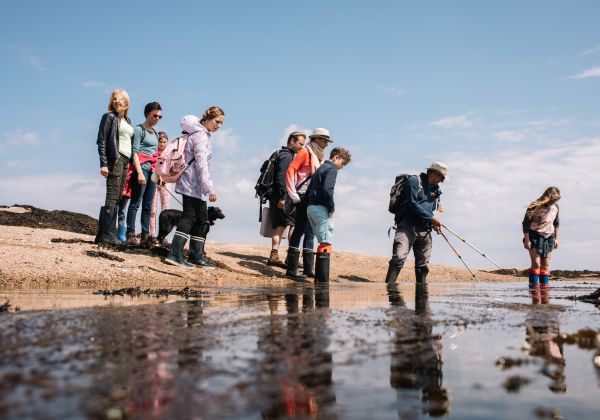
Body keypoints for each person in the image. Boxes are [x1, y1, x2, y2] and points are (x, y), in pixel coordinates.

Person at [164, 106, 225, 268]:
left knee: (202, 220)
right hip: (192, 183)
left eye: (221, 123)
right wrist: (209, 188)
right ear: (207, 119)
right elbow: (201, 165)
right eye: (217, 121)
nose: (218, 125)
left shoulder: (200, 135)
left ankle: (196, 256)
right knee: (190, 217)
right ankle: (174, 254)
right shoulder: (200, 136)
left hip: (195, 185)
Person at [385, 162, 448, 284]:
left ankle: (422, 300)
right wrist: (431, 218)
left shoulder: (436, 189)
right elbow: (412, 204)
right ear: (434, 173)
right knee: (399, 257)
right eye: (442, 177)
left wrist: (434, 224)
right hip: (406, 226)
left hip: (425, 230)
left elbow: (429, 210)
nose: (442, 181)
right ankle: (389, 292)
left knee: (423, 265)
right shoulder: (414, 181)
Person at [284, 128, 333, 280]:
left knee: (310, 232)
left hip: (311, 196)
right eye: (324, 140)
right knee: (299, 229)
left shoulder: (318, 155)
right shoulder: (305, 152)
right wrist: (293, 194)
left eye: (327, 141)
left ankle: (308, 269)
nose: (326, 144)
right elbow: (290, 170)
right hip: (302, 195)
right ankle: (291, 270)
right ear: (317, 139)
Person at [306, 147, 352, 282]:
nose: (341, 167)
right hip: (321, 208)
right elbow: (328, 189)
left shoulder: (321, 167)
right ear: (336, 157)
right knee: (326, 242)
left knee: (321, 241)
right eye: (343, 163)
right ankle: (322, 283)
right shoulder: (331, 168)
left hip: (311, 207)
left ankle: (319, 280)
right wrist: (331, 207)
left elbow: (310, 189)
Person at [95, 89, 134, 244]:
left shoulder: (127, 121)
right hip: (115, 159)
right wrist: (104, 164)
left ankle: (106, 234)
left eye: (121, 99)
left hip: (126, 161)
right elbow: (102, 140)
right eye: (115, 99)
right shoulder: (109, 117)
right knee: (112, 194)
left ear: (126, 103)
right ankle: (107, 236)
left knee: (119, 196)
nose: (117, 101)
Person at [266, 131, 307, 267]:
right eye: (300, 144)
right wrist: (283, 197)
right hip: (282, 197)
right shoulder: (287, 156)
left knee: (281, 225)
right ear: (292, 141)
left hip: (277, 196)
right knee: (290, 225)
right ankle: (290, 257)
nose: (302, 147)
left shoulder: (282, 154)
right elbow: (281, 177)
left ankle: (276, 255)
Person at [126, 102, 162, 245]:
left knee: (148, 205)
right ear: (148, 114)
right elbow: (134, 153)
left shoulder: (155, 133)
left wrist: (158, 175)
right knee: (135, 202)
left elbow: (156, 155)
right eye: (155, 115)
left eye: (160, 116)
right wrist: (139, 173)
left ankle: (145, 235)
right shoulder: (139, 129)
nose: (157, 118)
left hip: (153, 171)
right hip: (141, 169)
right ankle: (131, 233)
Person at [522, 186, 560, 287]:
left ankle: (544, 291)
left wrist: (556, 238)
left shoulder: (556, 207)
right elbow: (525, 223)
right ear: (548, 197)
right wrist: (527, 240)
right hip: (534, 235)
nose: (554, 202)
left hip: (549, 237)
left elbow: (556, 223)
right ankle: (534, 291)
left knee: (545, 265)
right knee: (537, 264)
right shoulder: (535, 205)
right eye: (553, 199)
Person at [149, 131, 171, 238]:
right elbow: (152, 166)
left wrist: (165, 177)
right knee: (152, 210)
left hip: (165, 184)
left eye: (164, 142)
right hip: (154, 181)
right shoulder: (153, 153)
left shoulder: (169, 154)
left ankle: (163, 236)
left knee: (165, 211)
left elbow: (171, 168)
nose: (162, 144)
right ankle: (152, 234)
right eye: (160, 142)